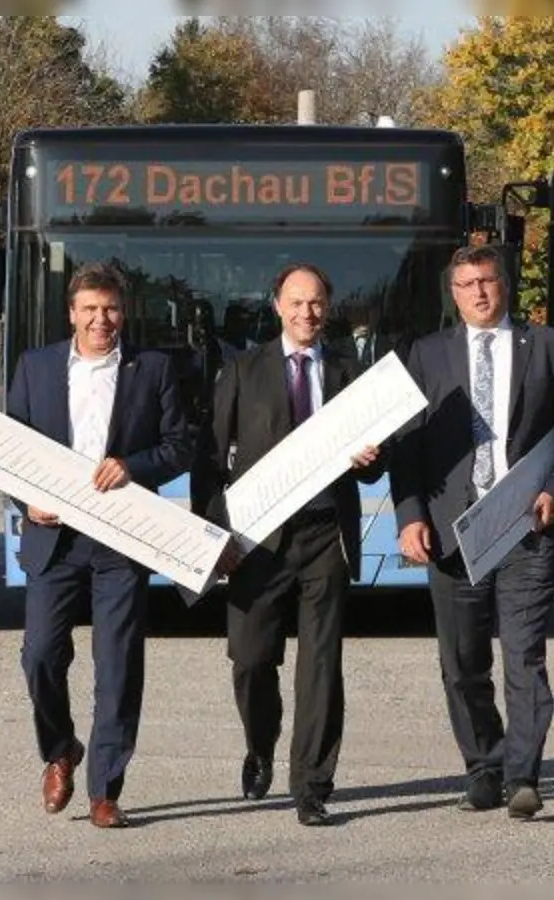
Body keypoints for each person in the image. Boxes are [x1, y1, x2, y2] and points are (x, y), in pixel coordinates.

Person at [390, 244, 554, 821]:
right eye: (466, 284)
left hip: (528, 528)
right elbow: (406, 445)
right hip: (454, 534)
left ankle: (524, 776)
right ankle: (483, 766)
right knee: (463, 661)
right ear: (452, 295)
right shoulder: (426, 355)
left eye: (487, 280)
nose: (479, 292)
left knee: (524, 655)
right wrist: (409, 517)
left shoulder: (547, 345)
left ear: (503, 285)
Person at [4, 260, 193, 829]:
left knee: (117, 666)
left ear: (123, 311)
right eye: (89, 310)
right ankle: (60, 748)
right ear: (72, 314)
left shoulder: (152, 369)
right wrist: (24, 501)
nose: (100, 319)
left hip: (120, 540)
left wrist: (131, 467)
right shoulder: (34, 367)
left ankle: (104, 791)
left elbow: (180, 445)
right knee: (40, 654)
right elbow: (7, 448)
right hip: (53, 538)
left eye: (109, 308)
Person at [196, 262, 382, 827]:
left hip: (325, 533)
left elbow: (377, 466)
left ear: (329, 307)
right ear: (277, 305)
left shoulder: (352, 373)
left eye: (317, 303)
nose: (308, 313)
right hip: (256, 541)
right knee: (251, 660)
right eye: (297, 303)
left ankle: (312, 785)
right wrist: (211, 534)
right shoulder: (242, 370)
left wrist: (371, 457)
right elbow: (209, 461)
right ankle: (260, 745)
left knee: (321, 665)